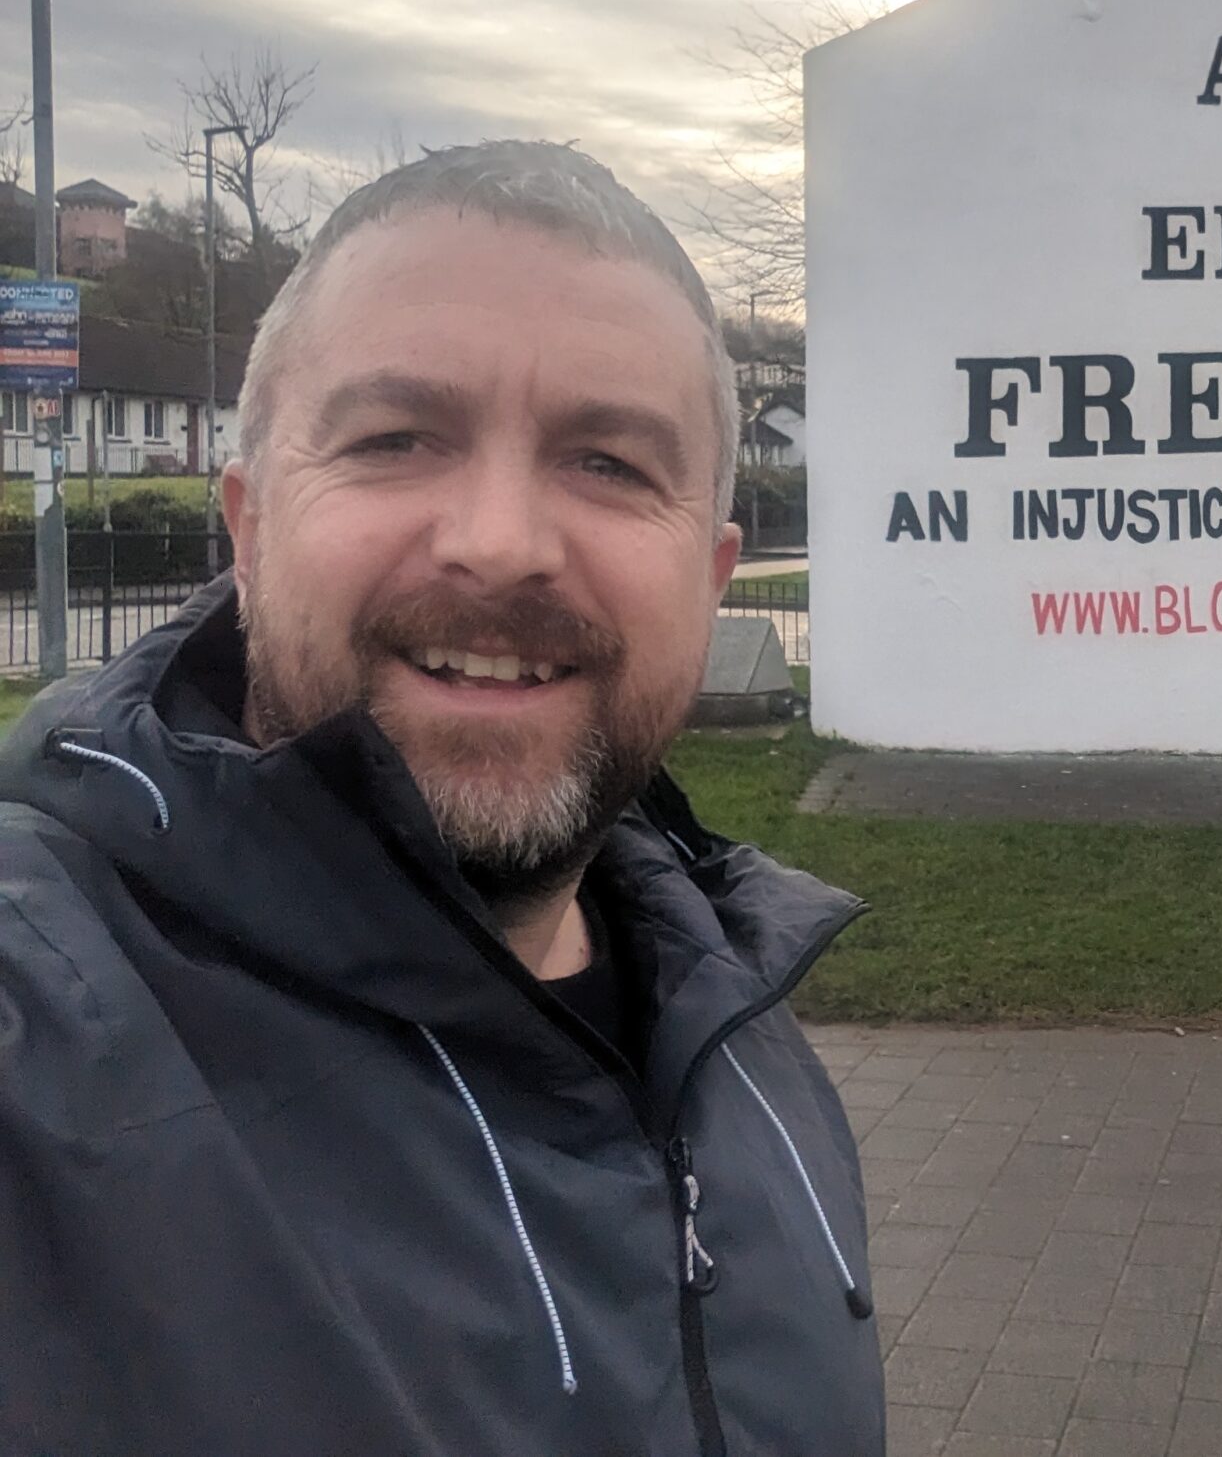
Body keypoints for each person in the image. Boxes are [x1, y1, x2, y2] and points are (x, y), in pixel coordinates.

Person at [0, 143, 885, 1455]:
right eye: (397, 437)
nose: (501, 538)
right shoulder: (45, 1031)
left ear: (710, 580)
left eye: (609, 461)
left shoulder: (739, 1031)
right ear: (247, 530)